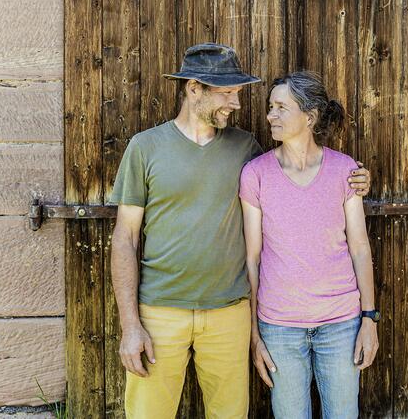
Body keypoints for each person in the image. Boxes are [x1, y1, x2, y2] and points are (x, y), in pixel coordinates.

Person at [109, 44, 371, 418]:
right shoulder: (145, 148)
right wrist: (130, 325)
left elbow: (299, 169)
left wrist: (357, 178)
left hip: (228, 312)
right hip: (160, 312)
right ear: (194, 88)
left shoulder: (245, 150)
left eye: (237, 93)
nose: (236, 103)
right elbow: (125, 238)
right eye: (227, 93)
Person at [240, 71, 380, 419]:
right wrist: (255, 333)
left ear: (309, 116)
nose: (270, 115)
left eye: (280, 107)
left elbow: (360, 248)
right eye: (270, 107)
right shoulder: (255, 174)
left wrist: (369, 319)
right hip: (280, 328)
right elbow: (252, 258)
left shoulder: (344, 170)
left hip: (341, 324)